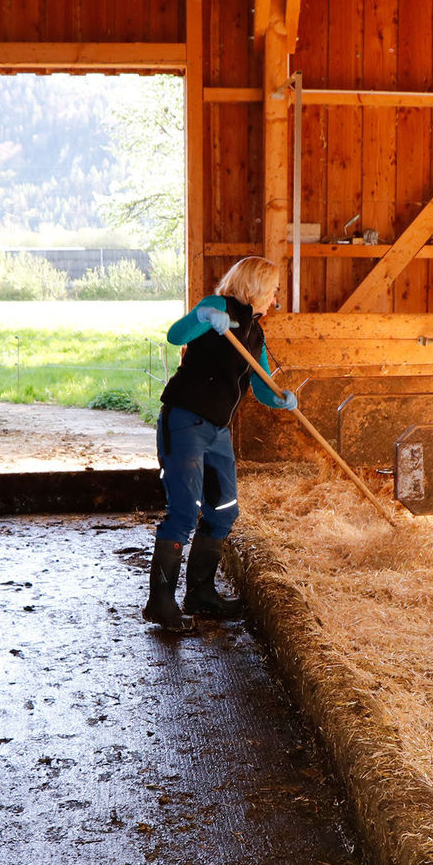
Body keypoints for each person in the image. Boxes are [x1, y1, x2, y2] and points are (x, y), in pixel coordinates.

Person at [144, 257, 298, 632]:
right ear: (256, 287)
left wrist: (279, 397)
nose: (276, 297)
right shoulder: (217, 308)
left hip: (217, 432)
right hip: (185, 421)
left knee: (224, 510)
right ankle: (160, 603)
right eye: (273, 288)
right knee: (183, 512)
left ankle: (200, 593)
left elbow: (259, 382)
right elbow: (175, 335)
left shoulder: (255, 333)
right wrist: (202, 319)